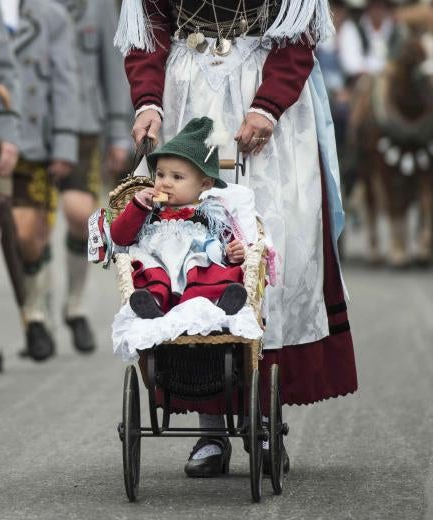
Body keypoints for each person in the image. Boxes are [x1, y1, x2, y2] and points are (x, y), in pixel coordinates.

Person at [118, 0, 357, 477]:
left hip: (267, 97)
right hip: (188, 97)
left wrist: (269, 105)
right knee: (185, 251)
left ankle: (265, 421)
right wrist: (147, 99)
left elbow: (298, 31)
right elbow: (149, 26)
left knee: (266, 255)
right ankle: (209, 428)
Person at [45, 0, 132, 354]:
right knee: (28, 231)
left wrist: (117, 131)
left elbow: (112, 69)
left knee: (79, 214)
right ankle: (35, 314)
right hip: (29, 121)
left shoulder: (97, 6)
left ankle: (75, 304)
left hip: (82, 121)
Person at [110, 118, 248, 320]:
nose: (165, 183)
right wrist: (138, 205)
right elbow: (119, 237)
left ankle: (218, 303)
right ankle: (151, 302)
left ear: (205, 184)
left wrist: (232, 253)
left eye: (177, 177)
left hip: (195, 268)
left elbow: (227, 242)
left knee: (209, 269)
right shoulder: (148, 210)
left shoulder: (210, 212)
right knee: (151, 270)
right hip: (159, 261)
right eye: (160, 174)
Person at [7, 0, 80, 361]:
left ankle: (38, 314)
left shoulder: (51, 15)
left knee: (26, 234)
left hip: (30, 138)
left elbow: (66, 79)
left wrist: (64, 141)